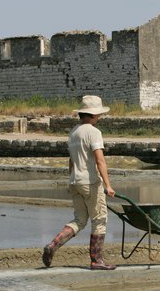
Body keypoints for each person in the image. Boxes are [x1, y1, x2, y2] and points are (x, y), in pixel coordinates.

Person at [42, 95, 117, 270]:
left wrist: (71, 181)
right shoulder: (93, 132)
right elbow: (100, 161)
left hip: (75, 181)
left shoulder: (73, 132)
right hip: (90, 182)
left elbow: (71, 161)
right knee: (99, 219)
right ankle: (97, 260)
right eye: (98, 114)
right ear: (92, 115)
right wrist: (108, 185)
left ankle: (53, 245)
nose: (99, 117)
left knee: (80, 220)